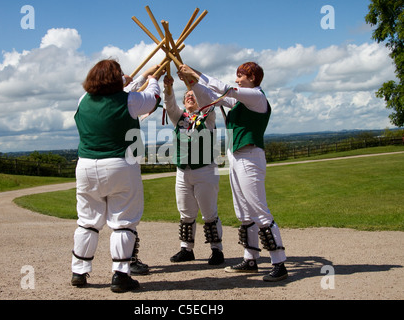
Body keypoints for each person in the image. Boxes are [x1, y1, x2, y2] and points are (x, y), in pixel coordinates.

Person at [178, 62, 288, 281]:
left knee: (258, 210)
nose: (238, 79)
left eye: (242, 75)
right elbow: (209, 97)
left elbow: (225, 89)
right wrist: (191, 81)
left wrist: (195, 73)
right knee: (244, 212)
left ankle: (279, 262)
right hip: (236, 157)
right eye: (237, 75)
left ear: (253, 78)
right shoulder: (240, 101)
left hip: (250, 156)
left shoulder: (256, 96)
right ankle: (250, 259)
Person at [71, 60, 162, 292]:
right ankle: (121, 275)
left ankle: (79, 271)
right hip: (120, 164)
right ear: (115, 79)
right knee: (123, 222)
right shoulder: (128, 101)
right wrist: (153, 79)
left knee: (87, 222)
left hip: (85, 167)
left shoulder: (83, 100)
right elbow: (152, 99)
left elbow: (122, 88)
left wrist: (139, 76)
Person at [163, 75, 224, 265]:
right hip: (182, 172)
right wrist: (168, 87)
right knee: (186, 213)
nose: (190, 97)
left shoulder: (208, 117)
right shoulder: (179, 118)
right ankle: (186, 249)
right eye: (187, 95)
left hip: (205, 170)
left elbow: (207, 102)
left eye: (193, 95)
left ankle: (216, 250)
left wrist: (193, 84)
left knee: (209, 213)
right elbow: (169, 104)